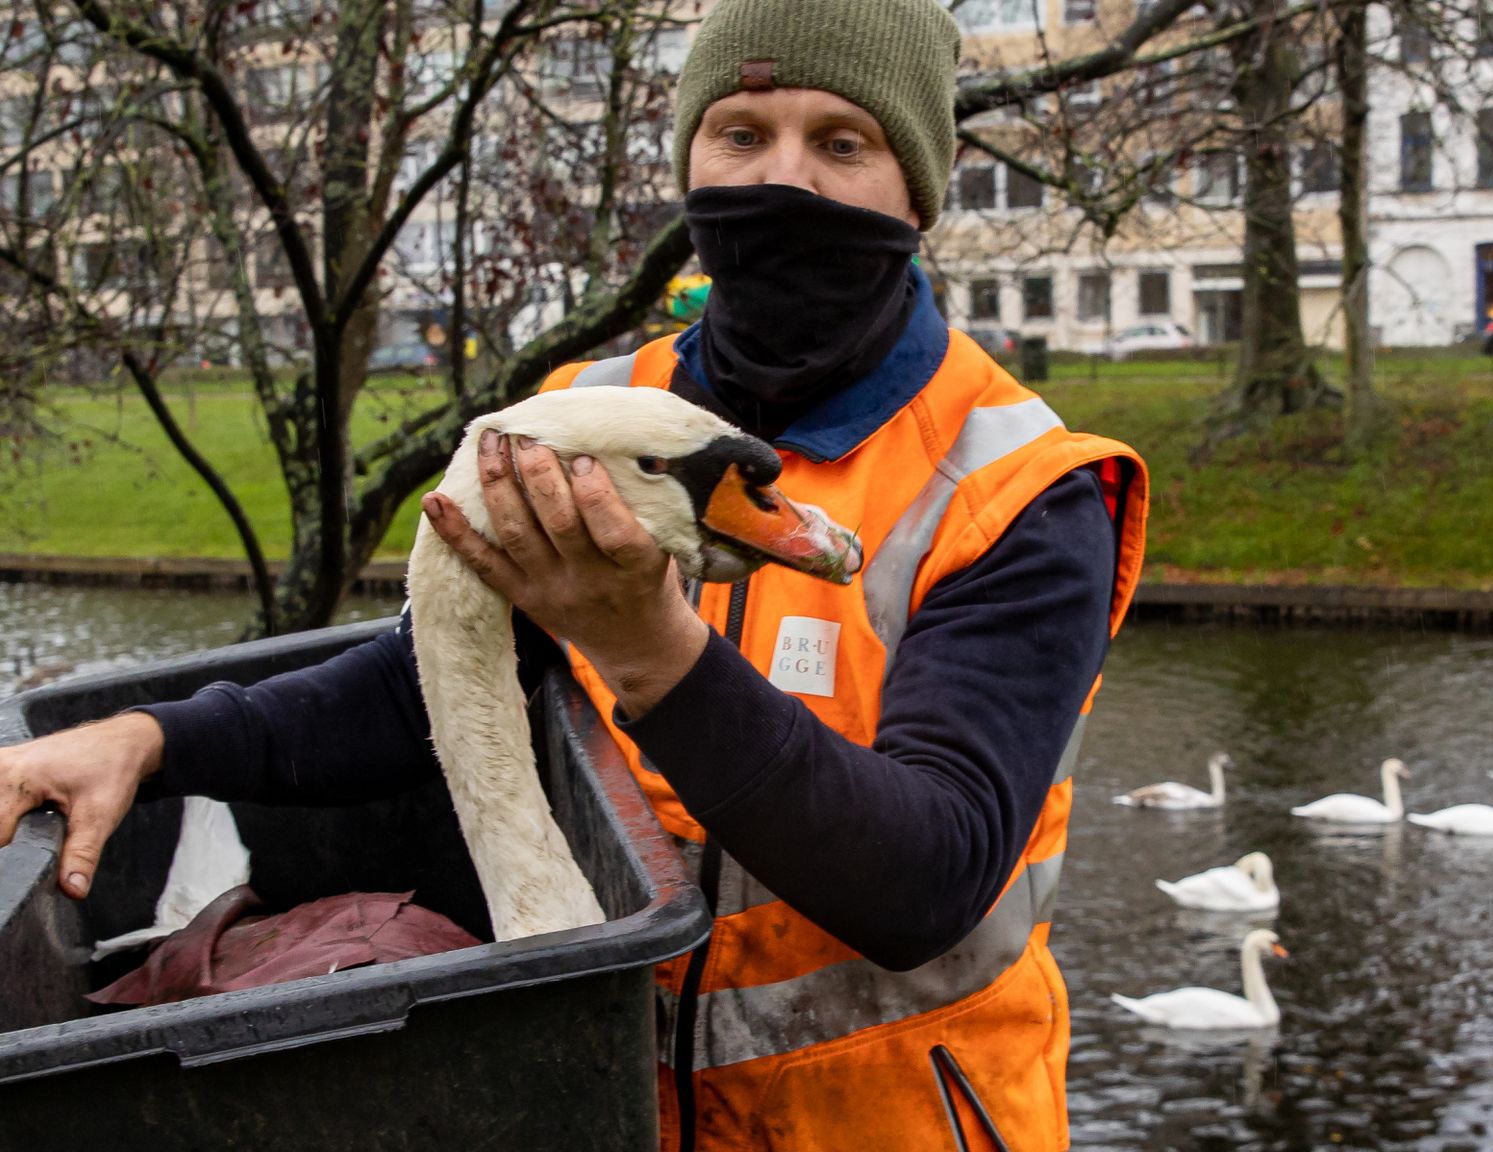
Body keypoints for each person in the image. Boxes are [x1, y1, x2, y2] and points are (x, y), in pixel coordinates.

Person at [0, 0, 1148, 1147]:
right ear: (691, 157)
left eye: (839, 143)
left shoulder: (1020, 490)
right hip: (603, 1113)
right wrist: (154, 741)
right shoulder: (580, 419)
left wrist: (653, 654)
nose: (781, 183)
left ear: (917, 188)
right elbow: (432, 685)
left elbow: (923, 884)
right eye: (739, 134)